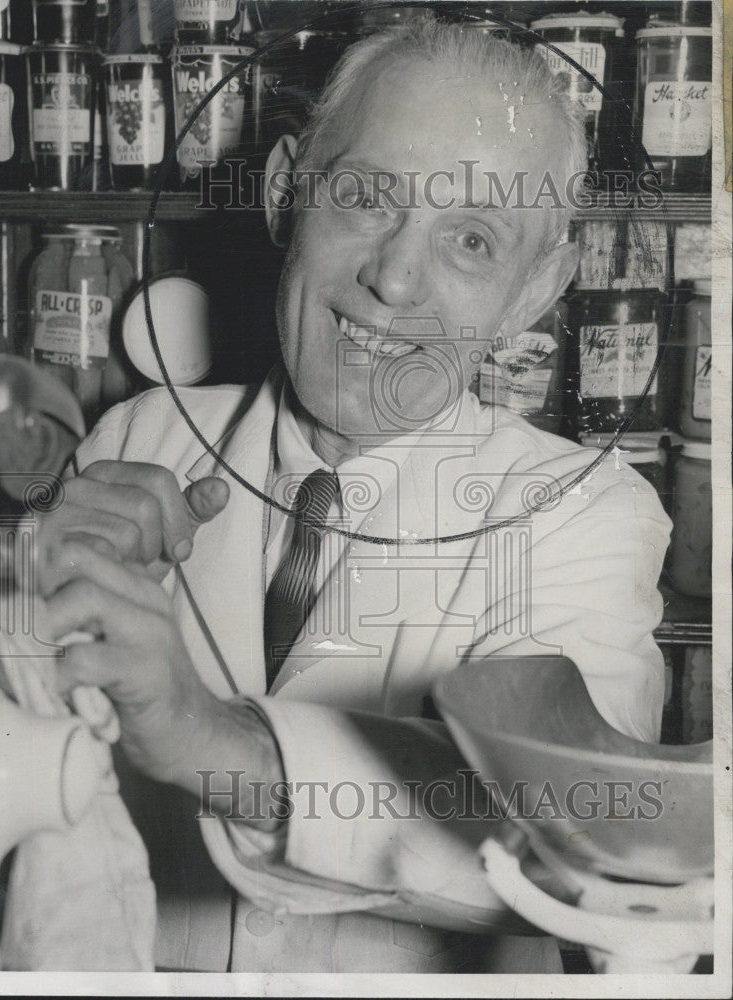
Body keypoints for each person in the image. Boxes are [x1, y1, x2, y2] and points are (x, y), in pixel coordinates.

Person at [35, 19, 671, 973]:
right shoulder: (135, 440)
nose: (394, 278)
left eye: (471, 240)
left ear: (536, 290)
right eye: (368, 198)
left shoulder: (583, 509)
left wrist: (213, 738)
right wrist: (18, 634)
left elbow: (574, 831)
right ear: (288, 190)